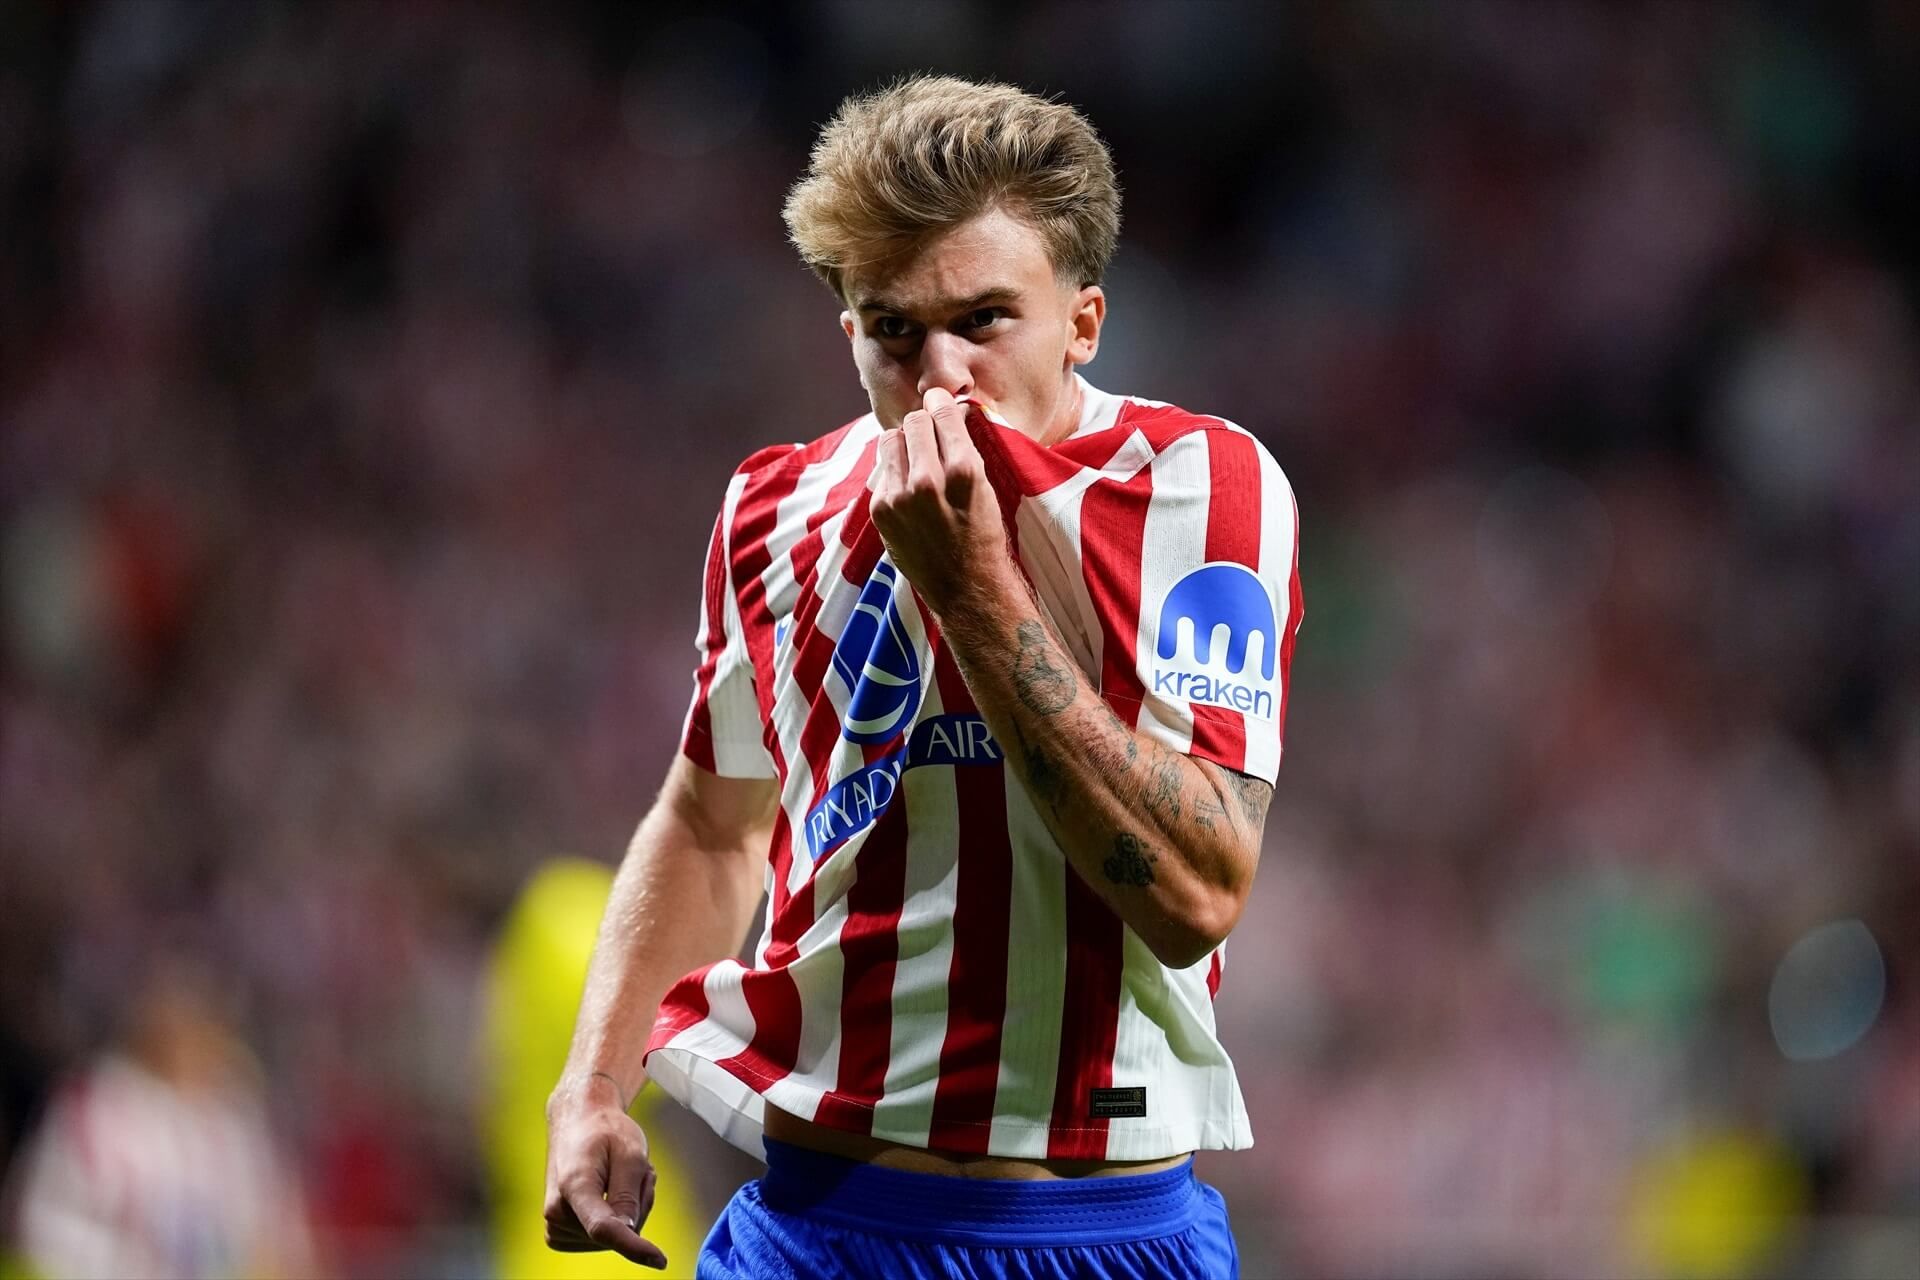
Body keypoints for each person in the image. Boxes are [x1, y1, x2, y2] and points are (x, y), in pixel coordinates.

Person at [543, 74, 1302, 1279]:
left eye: (985, 319)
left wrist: (974, 590)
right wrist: (588, 1087)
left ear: (1083, 320)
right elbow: (710, 819)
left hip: (1096, 1233)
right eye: (894, 328)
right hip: (811, 1222)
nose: (939, 372)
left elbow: (1195, 889)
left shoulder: (1203, 490)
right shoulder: (773, 507)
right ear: (850, 331)